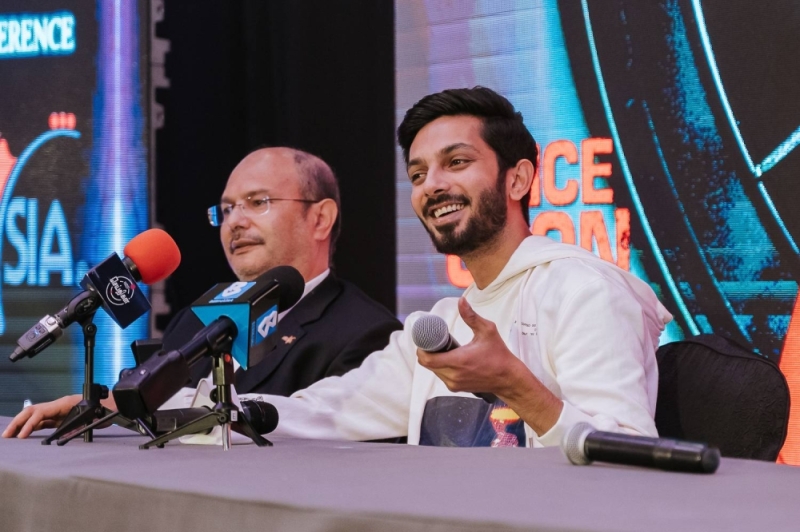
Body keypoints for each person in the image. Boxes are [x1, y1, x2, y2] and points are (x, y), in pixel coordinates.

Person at [227, 87, 672, 448]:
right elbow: (331, 409)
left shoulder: (584, 291)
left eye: (456, 162)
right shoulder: (441, 322)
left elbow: (626, 456)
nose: (433, 185)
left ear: (517, 178)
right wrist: (209, 413)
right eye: (418, 174)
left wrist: (515, 385)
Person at [3, 147, 401, 439]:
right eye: (226, 210)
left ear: (320, 218)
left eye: (257, 202)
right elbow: (153, 406)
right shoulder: (199, 316)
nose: (235, 222)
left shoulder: (366, 331)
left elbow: (323, 441)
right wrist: (93, 407)